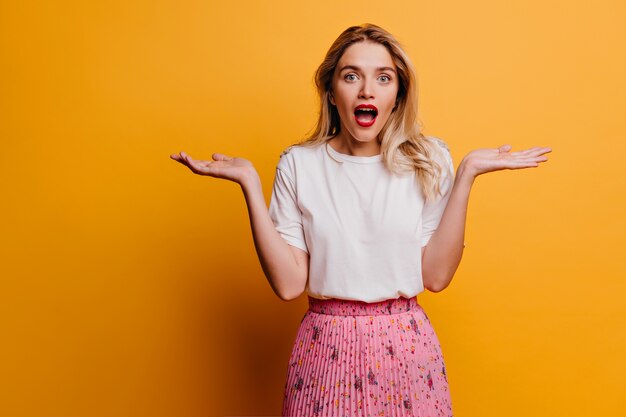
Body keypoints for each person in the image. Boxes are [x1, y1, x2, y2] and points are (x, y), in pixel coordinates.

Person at [171, 23, 550, 417]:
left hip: (406, 349)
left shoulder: (429, 159)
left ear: (397, 94)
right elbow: (288, 284)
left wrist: (467, 173)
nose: (367, 90)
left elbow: (435, 277)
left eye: (383, 78)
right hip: (323, 351)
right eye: (351, 76)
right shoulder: (300, 165)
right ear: (332, 92)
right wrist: (249, 183)